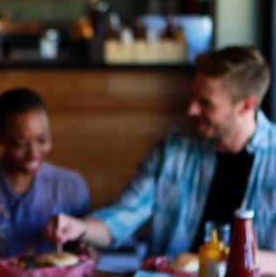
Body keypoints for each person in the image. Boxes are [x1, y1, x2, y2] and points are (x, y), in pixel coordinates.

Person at [43, 46, 276, 273]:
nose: (191, 110)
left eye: (205, 103)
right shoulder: (172, 151)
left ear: (247, 105)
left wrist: (249, 259)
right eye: (192, 97)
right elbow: (123, 216)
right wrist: (79, 227)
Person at [0, 88, 90, 268]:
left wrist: (88, 251)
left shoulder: (71, 187)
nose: (33, 154)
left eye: (42, 140)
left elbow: (85, 255)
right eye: (19, 144)